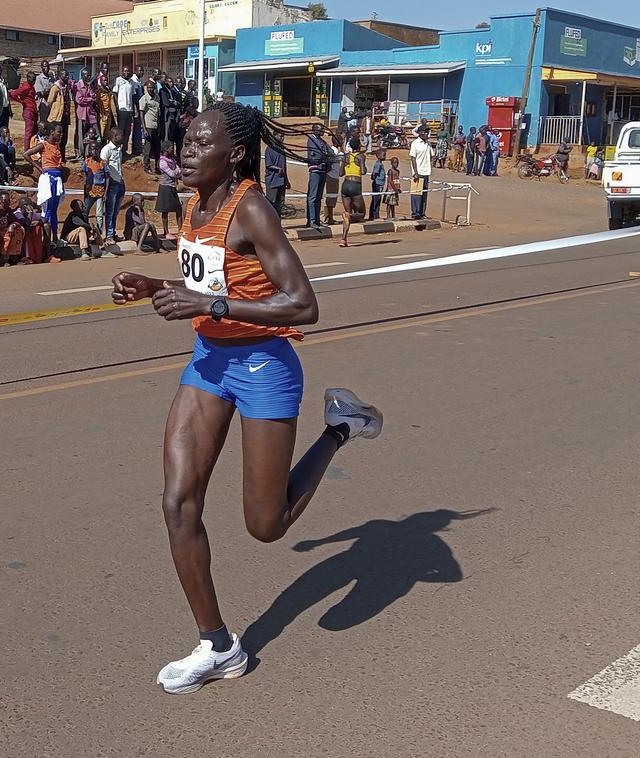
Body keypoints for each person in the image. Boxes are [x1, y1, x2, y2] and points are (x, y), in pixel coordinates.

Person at [109, 101, 383, 695]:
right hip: (209, 362)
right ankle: (218, 645)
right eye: (185, 139)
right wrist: (155, 286)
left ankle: (339, 427)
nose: (186, 150)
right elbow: (213, 284)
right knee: (178, 504)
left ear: (233, 154)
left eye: (199, 142)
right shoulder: (193, 204)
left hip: (265, 367)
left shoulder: (251, 207)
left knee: (266, 525)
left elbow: (303, 304)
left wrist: (211, 307)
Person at [338, 137, 366, 247]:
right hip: (355, 185)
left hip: (345, 185)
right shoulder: (361, 156)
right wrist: (361, 165)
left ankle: (343, 239)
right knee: (362, 214)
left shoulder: (346, 156)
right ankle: (349, 216)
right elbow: (363, 172)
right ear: (359, 146)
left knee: (347, 212)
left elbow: (340, 173)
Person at [100, 127, 126, 241]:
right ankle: (109, 235)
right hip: (112, 184)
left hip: (120, 182)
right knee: (110, 211)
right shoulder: (106, 149)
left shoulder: (119, 149)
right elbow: (103, 168)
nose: (123, 137)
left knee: (116, 211)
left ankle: (113, 232)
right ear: (114, 136)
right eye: (121, 135)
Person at [305, 122, 331, 229]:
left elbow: (329, 152)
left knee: (319, 197)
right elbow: (319, 154)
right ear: (315, 130)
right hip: (315, 170)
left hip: (323, 170)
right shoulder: (311, 140)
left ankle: (316, 219)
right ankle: (311, 220)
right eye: (321, 129)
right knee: (313, 196)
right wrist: (325, 157)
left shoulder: (322, 141)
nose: (322, 131)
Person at [156, 141, 183, 240]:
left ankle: (180, 230)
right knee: (165, 211)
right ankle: (166, 232)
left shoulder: (172, 159)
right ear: (166, 149)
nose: (173, 149)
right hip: (165, 187)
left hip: (172, 187)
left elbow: (178, 172)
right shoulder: (162, 161)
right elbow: (173, 173)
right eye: (171, 147)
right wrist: (177, 171)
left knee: (178, 209)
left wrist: (177, 171)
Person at [46, 69, 73, 160]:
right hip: (57, 117)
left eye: (67, 75)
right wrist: (55, 110)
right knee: (57, 138)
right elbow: (49, 101)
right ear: (60, 76)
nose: (67, 77)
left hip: (65, 116)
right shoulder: (55, 88)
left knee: (64, 138)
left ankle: (63, 157)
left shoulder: (67, 87)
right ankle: (55, 157)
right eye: (65, 75)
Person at [408, 125, 433, 220]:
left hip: (426, 171)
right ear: (420, 133)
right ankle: (415, 212)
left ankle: (422, 212)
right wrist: (415, 172)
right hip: (418, 172)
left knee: (424, 194)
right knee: (416, 194)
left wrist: (434, 158)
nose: (427, 134)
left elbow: (431, 155)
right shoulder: (415, 143)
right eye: (425, 132)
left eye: (427, 132)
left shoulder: (428, 144)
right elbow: (413, 158)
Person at [83, 140, 107, 236]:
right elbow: (85, 176)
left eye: (96, 149)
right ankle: (86, 230)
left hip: (100, 191)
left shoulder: (102, 163)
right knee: (85, 211)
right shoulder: (86, 162)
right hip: (90, 191)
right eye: (92, 149)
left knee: (99, 214)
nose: (94, 151)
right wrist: (85, 191)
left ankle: (99, 233)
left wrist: (105, 192)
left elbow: (107, 177)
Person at [113, 65, 138, 157]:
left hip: (129, 110)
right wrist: (117, 106)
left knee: (127, 131)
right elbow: (115, 94)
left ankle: (125, 150)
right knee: (120, 131)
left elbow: (133, 96)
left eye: (128, 71)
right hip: (122, 109)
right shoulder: (118, 80)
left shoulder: (131, 82)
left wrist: (134, 109)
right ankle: (118, 149)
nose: (127, 73)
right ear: (122, 71)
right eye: (125, 71)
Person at [74, 69, 99, 157]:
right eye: (86, 75)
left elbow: (94, 97)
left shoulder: (90, 86)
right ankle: (80, 153)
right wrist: (90, 99)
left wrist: (90, 98)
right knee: (81, 134)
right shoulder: (78, 86)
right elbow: (79, 100)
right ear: (82, 75)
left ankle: (91, 152)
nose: (88, 77)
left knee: (94, 132)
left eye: (89, 75)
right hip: (82, 114)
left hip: (90, 113)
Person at [10, 73, 39, 149]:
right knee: (29, 133)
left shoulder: (31, 86)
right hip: (28, 111)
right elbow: (13, 94)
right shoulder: (26, 87)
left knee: (34, 132)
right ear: (27, 78)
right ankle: (27, 151)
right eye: (32, 79)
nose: (33, 81)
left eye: (34, 79)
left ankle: (33, 149)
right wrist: (21, 101)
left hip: (33, 110)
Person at [139, 79, 162, 173]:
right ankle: (147, 167)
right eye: (148, 88)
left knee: (157, 148)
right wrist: (144, 129)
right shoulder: (144, 99)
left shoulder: (157, 98)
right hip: (148, 126)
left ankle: (157, 167)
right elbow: (141, 114)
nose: (150, 89)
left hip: (156, 125)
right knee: (147, 148)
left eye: (151, 87)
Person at [263, 142, 288, 214]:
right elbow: (268, 164)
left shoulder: (282, 149)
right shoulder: (269, 149)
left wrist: (286, 180)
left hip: (281, 181)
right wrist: (278, 169)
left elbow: (284, 167)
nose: (282, 138)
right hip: (272, 181)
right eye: (280, 136)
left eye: (282, 136)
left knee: (280, 204)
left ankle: (278, 222)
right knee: (271, 204)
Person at [324, 133, 342, 225]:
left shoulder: (336, 151)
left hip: (333, 176)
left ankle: (328, 217)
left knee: (331, 197)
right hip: (332, 176)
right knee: (331, 197)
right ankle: (329, 218)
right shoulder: (333, 151)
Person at [95, 62, 116, 139]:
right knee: (101, 134)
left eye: (107, 68)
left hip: (108, 115)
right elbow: (96, 103)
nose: (106, 70)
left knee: (107, 135)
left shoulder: (108, 89)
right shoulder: (99, 90)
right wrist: (100, 113)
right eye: (104, 68)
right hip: (102, 115)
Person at [368, 148, 386, 221]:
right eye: (384, 155)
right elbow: (374, 173)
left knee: (376, 199)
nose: (385, 157)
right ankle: (375, 215)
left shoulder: (380, 164)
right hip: (377, 184)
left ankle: (373, 215)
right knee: (376, 199)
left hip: (379, 184)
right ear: (378, 156)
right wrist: (374, 179)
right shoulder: (378, 164)